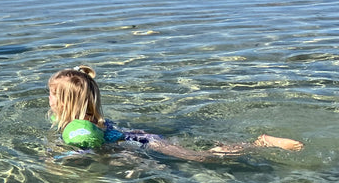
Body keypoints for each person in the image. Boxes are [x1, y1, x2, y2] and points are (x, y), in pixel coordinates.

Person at [47, 65, 303, 160]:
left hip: (146, 143)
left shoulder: (82, 127)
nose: (48, 99)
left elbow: (87, 149)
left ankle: (260, 143)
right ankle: (249, 144)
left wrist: (57, 159)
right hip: (139, 138)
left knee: (201, 157)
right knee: (201, 151)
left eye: (52, 94)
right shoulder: (85, 119)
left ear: (68, 101)